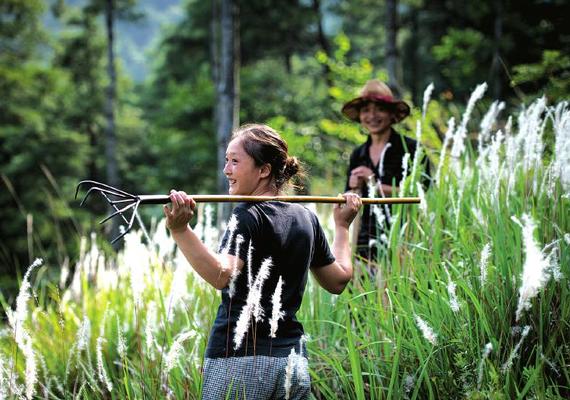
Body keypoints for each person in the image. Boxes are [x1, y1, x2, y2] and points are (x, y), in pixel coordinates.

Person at [163, 124, 362, 400]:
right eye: (226, 161)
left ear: (264, 170)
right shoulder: (307, 218)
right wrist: (342, 227)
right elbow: (338, 280)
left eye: (235, 161)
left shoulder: (247, 215)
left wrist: (180, 231)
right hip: (292, 363)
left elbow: (222, 274)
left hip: (239, 362)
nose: (226, 170)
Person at [342, 79, 422, 263]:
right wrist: (351, 191)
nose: (372, 115)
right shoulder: (357, 154)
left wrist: (373, 184)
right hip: (364, 241)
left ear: (391, 114)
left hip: (404, 239)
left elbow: (423, 195)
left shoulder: (410, 149)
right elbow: (349, 202)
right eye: (366, 110)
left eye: (379, 109)